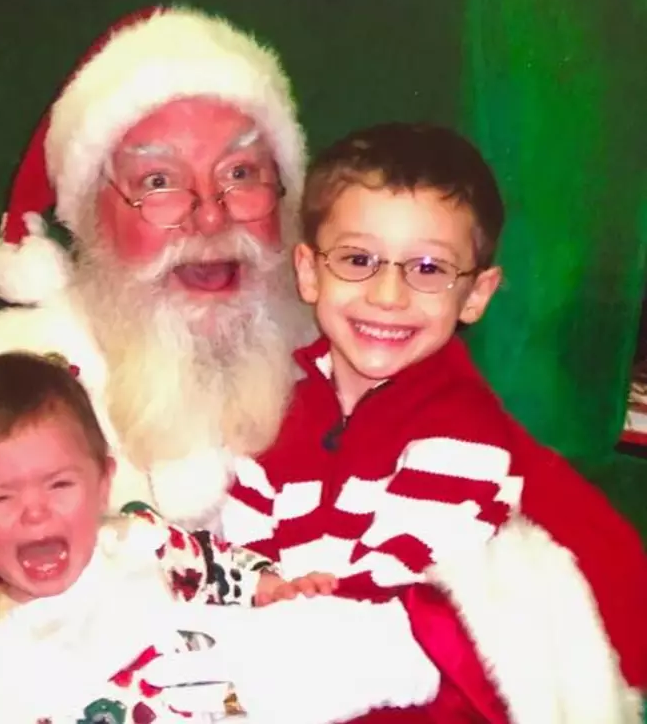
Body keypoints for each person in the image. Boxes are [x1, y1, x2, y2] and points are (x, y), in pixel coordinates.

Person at [0, 7, 646, 724]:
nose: (209, 214)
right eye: (159, 183)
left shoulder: (356, 371)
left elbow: (584, 571)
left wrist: (408, 634)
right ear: (90, 220)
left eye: (243, 173)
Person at [140, 124, 647, 722]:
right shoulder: (274, 395)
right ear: (308, 272)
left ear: (477, 294)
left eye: (429, 269)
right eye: (358, 259)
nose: (388, 295)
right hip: (270, 651)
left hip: (393, 676)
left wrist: (296, 617)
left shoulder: (459, 424)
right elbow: (239, 527)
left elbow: (411, 570)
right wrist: (253, 591)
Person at [0, 352, 335, 724]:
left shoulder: (141, 542)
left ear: (104, 481)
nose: (34, 511)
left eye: (60, 485)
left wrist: (272, 588)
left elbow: (219, 567)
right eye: (0, 498)